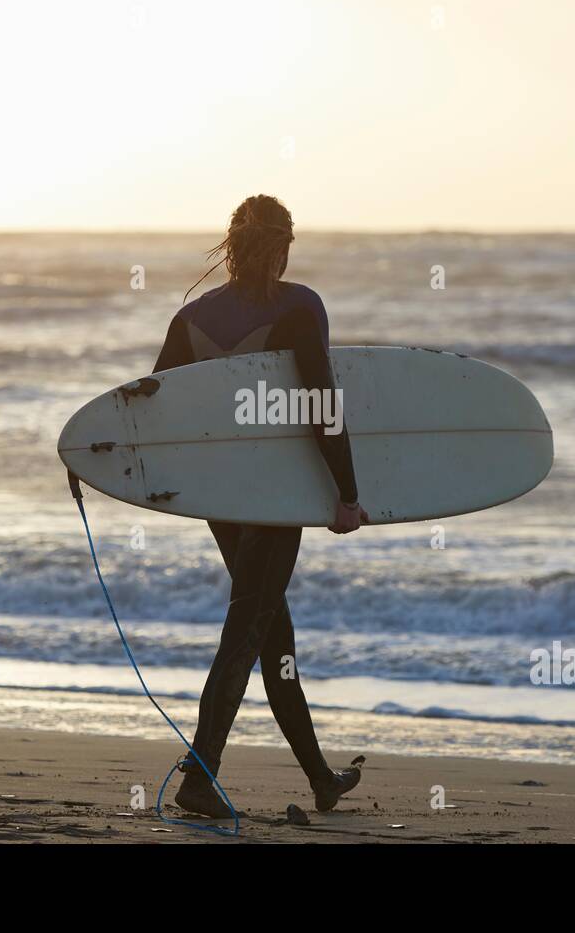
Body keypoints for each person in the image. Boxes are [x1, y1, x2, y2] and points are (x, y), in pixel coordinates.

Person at [151, 195, 367, 817]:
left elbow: (159, 410)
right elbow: (323, 407)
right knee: (247, 630)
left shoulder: (190, 318)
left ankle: (321, 778)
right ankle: (199, 773)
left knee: (272, 632)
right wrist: (347, 495)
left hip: (223, 500)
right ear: (283, 246)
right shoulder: (299, 307)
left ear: (231, 242)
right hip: (274, 499)